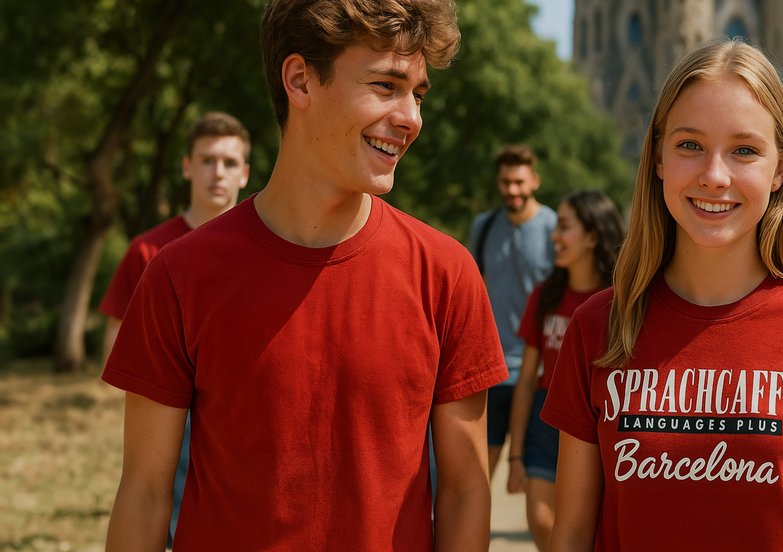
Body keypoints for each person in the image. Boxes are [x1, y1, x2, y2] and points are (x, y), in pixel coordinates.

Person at [102, 1, 507, 550]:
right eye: (387, 85)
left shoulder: (447, 275)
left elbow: (464, 492)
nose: (411, 117)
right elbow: (145, 494)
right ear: (300, 80)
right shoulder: (178, 275)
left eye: (418, 93)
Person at [541, 39, 783, 551]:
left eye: (744, 150)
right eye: (689, 145)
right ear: (658, 157)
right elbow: (571, 536)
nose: (714, 176)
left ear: (780, 168)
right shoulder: (599, 324)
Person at [97, 110, 251, 547]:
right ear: (186, 167)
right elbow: (116, 349)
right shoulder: (148, 250)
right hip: (174, 427)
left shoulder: (268, 244)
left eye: (228, 162)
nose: (216, 173)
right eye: (206, 160)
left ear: (245, 172)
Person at [504, 189, 625, 551]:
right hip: (547, 419)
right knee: (541, 522)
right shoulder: (545, 296)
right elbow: (526, 380)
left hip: (601, 423)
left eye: (564, 227)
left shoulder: (622, 302)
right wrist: (515, 455)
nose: (554, 236)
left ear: (592, 236)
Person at [469, 145, 556, 477]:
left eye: (519, 182)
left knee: (538, 482)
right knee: (477, 475)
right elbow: (475, 290)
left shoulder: (554, 228)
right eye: (506, 182)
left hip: (538, 375)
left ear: (534, 180)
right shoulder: (484, 227)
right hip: (492, 369)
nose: (512, 190)